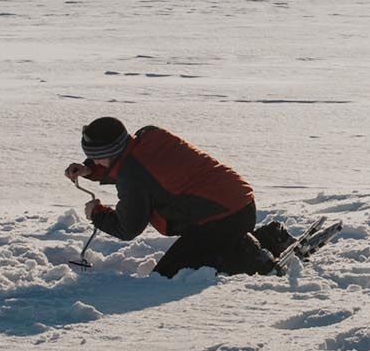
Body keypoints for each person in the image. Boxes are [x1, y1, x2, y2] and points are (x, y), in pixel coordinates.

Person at [64, 116, 284, 277]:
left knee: (169, 277)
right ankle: (267, 239)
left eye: (95, 157)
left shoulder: (132, 176)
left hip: (221, 220)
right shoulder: (149, 136)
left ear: (107, 153)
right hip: (240, 202)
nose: (94, 161)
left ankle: (254, 254)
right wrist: (90, 170)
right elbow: (136, 168)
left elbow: (127, 227)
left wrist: (97, 214)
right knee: (204, 253)